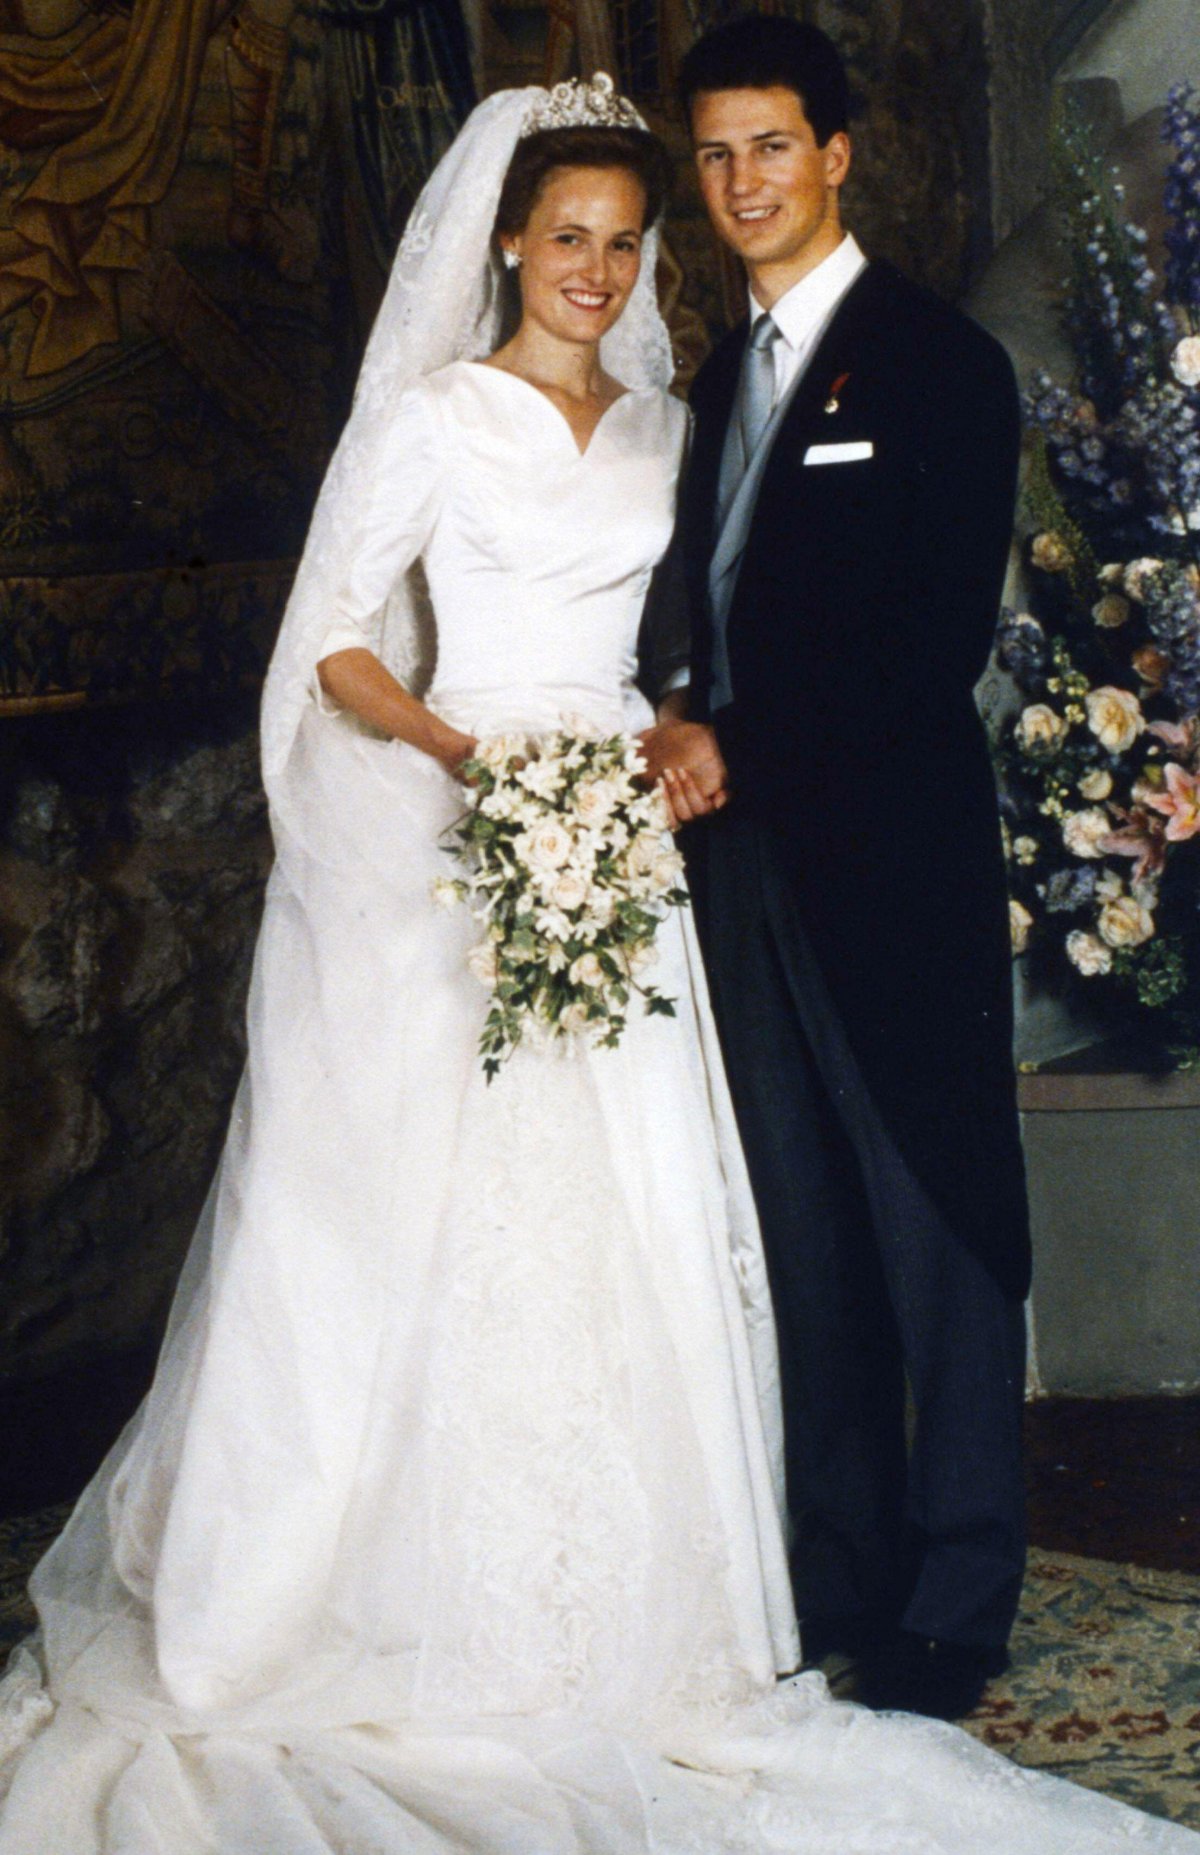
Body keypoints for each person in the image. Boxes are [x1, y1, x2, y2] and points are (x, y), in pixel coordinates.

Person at [0, 71, 1193, 1855]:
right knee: (663, 1222)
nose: (609, 257)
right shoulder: (565, 407)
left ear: (832, 156)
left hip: (742, 849)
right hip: (541, 838)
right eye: (583, 230)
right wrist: (509, 772)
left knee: (815, 1218)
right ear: (508, 240)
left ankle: (909, 1602)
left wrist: (676, 742)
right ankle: (733, 1583)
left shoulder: (856, 375)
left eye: (634, 233)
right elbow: (353, 640)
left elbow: (881, 636)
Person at [639, 13, 1033, 1721]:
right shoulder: (716, 379)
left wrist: (745, 741)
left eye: (771, 148)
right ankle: (842, 1578)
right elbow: (691, 602)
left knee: (931, 1224)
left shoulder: (936, 361)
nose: (742, 184)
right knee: (802, 1235)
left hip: (890, 867)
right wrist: (668, 706)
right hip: (738, 868)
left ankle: (953, 1602)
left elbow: (926, 639)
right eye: (716, 155)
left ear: (839, 151)